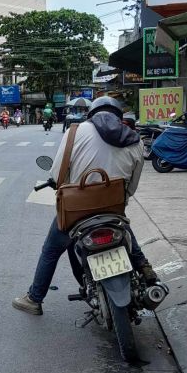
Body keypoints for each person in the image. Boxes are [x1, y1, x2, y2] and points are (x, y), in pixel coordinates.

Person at [12, 96, 158, 316]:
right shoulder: (135, 140)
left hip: (77, 211)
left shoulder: (75, 132)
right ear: (119, 116)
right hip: (113, 208)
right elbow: (132, 187)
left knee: (51, 251)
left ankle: (35, 298)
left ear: (91, 114)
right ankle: (144, 268)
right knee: (124, 230)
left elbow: (58, 175)